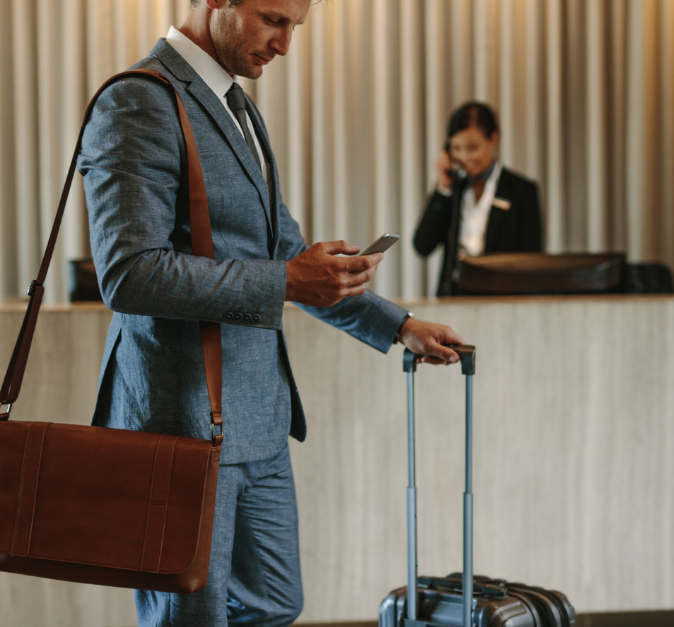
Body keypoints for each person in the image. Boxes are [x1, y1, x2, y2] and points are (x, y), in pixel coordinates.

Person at [77, 1, 464, 625]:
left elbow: (283, 253)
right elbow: (129, 273)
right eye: (272, 19)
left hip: (259, 418)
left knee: (276, 606)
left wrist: (399, 327)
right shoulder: (140, 100)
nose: (284, 44)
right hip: (181, 421)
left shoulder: (236, 104)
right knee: (191, 618)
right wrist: (286, 279)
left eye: (294, 26)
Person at [412, 102, 543, 296]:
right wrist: (443, 189)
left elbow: (531, 259)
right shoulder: (452, 189)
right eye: (456, 148)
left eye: (472, 148)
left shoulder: (521, 190)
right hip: (454, 297)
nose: (464, 157)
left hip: (503, 297)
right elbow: (422, 246)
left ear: (493, 139)